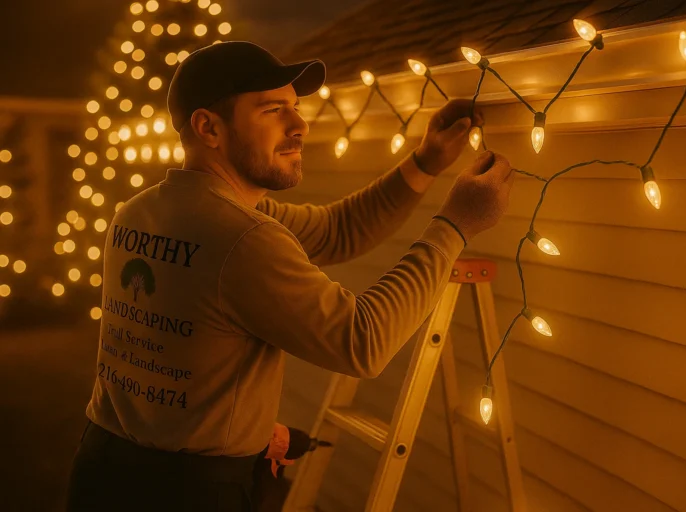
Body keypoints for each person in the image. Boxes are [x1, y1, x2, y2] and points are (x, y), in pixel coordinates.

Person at [65, 41, 515, 512]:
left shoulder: (140, 211)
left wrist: (425, 163)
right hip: (188, 493)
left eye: (295, 108)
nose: (299, 125)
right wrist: (455, 225)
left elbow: (338, 231)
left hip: (104, 467)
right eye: (272, 110)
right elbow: (363, 340)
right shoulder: (242, 237)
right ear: (208, 128)